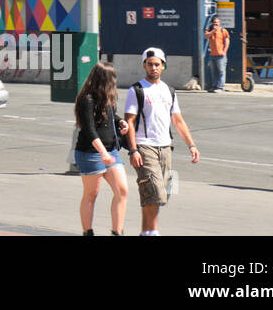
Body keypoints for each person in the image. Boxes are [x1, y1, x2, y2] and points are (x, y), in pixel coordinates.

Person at [123, 47, 199, 236]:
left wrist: (192, 145)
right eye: (150, 64)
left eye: (157, 64)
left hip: (165, 147)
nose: (154, 68)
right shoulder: (137, 90)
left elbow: (178, 121)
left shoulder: (169, 91)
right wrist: (133, 150)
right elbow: (129, 122)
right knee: (155, 192)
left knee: (157, 194)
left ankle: (145, 232)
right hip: (144, 146)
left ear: (163, 66)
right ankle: (153, 232)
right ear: (144, 65)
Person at [73, 62, 130, 235]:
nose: (114, 82)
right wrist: (102, 153)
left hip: (110, 151)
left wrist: (120, 121)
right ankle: (88, 232)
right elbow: (89, 130)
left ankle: (117, 231)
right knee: (91, 194)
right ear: (102, 79)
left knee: (122, 190)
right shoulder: (87, 99)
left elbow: (110, 114)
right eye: (111, 78)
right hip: (90, 153)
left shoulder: (108, 96)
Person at [204, 17, 230, 92]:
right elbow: (205, 36)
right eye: (214, 22)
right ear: (212, 23)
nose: (216, 24)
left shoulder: (223, 30)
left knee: (221, 71)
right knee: (214, 71)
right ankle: (214, 86)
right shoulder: (210, 30)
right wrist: (213, 31)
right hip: (212, 54)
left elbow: (227, 41)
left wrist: (224, 51)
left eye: (217, 22)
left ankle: (220, 87)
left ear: (219, 23)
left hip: (221, 55)